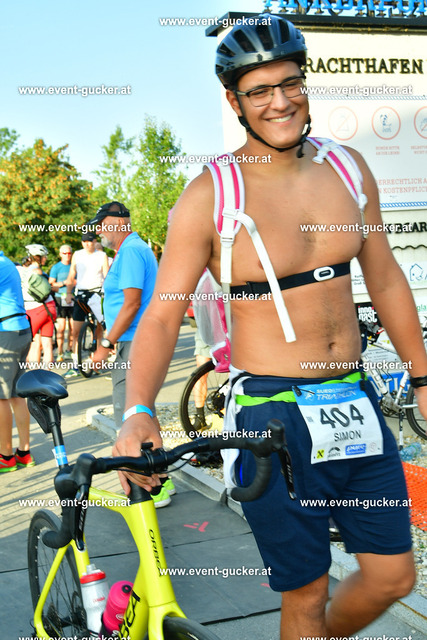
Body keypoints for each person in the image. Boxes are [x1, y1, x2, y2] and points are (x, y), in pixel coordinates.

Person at [113, 15, 427, 640]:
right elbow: (164, 312)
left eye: (291, 83)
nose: (280, 101)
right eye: (259, 90)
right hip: (270, 416)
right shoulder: (210, 194)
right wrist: (138, 410)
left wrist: (422, 378)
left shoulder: (348, 168)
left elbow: (387, 278)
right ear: (234, 101)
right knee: (306, 592)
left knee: (393, 577)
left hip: (354, 400)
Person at [89, 201, 174, 507]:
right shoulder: (130, 250)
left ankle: (149, 490)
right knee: (142, 414)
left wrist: (105, 344)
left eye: (101, 225)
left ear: (117, 222)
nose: (98, 231)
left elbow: (132, 303)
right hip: (134, 340)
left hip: (133, 341)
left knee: (128, 417)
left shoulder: (131, 251)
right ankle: (160, 481)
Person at [0, 250, 34, 471]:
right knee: (16, 395)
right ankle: (24, 452)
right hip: (21, 329)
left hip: (7, 333)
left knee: (1, 397)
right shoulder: (5, 261)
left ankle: (6, 456)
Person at [64, 232, 109, 377]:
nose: (87, 244)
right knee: (76, 331)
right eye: (84, 242)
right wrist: (69, 293)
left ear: (95, 242)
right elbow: (71, 274)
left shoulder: (101, 255)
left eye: (89, 241)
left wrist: (108, 293)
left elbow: (107, 275)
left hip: (97, 293)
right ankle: (76, 364)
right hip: (81, 294)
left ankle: (97, 363)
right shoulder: (77, 255)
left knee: (100, 329)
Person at [17, 244, 57, 364]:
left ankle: (34, 371)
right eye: (44, 256)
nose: (45, 258)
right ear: (37, 257)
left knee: (33, 344)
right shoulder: (39, 271)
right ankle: (46, 372)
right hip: (49, 308)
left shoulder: (25, 271)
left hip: (34, 309)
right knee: (47, 344)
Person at [49, 245, 74, 361]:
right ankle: (60, 351)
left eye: (69, 253)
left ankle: (69, 350)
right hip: (60, 298)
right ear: (60, 254)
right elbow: (51, 284)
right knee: (62, 327)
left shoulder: (74, 266)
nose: (67, 255)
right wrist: (64, 283)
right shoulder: (56, 267)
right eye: (64, 253)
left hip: (73, 298)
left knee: (73, 326)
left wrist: (73, 282)